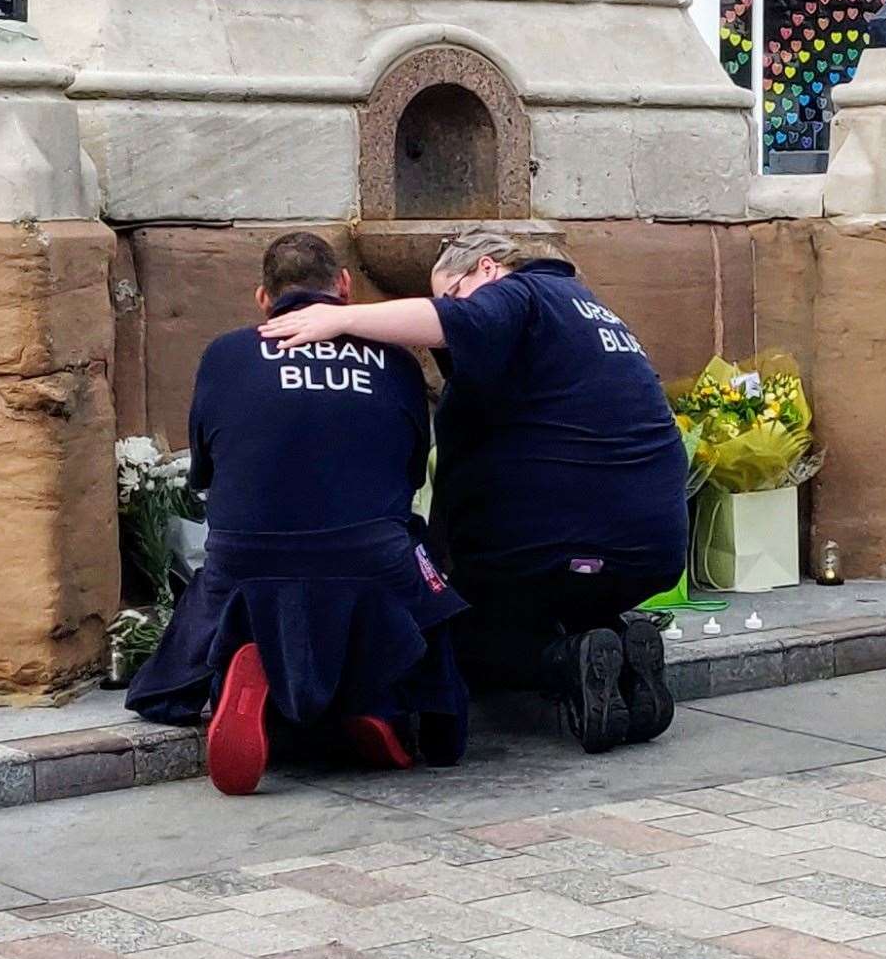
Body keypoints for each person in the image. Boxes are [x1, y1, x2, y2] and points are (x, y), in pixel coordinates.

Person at [261, 231, 687, 755]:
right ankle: (621, 651)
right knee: (557, 597)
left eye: (451, 294)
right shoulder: (590, 311)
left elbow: (459, 323)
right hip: (651, 553)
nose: (449, 309)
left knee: (460, 633)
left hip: (558, 544)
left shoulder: (519, 293)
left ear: (486, 269)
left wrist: (341, 319)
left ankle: (566, 659)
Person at [125, 233, 470, 795]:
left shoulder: (225, 355)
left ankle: (244, 668)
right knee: (424, 584)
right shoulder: (397, 361)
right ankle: (383, 700)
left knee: (217, 583)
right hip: (370, 557)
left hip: (247, 562)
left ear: (264, 298)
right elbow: (411, 475)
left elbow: (205, 470)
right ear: (343, 286)